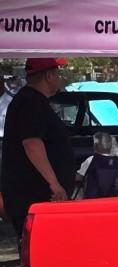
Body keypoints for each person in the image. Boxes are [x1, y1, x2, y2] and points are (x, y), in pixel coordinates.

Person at [1, 58, 75, 239]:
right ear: (49, 75)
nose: (59, 78)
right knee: (39, 248)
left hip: (37, 195)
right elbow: (32, 144)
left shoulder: (33, 101)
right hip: (34, 195)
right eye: (57, 73)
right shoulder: (30, 102)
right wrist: (54, 183)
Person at [74, 132, 118, 199]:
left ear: (95, 146)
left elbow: (80, 177)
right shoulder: (117, 161)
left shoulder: (91, 160)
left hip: (93, 196)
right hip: (112, 196)